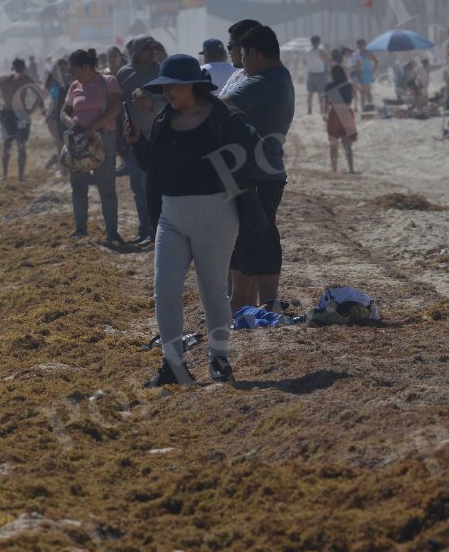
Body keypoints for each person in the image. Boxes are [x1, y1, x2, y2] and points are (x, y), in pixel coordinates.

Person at [125, 54, 264, 386]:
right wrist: (138, 145)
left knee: (213, 292)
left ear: (190, 85)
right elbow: (154, 165)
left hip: (215, 216)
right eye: (164, 89)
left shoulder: (221, 116)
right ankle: (173, 364)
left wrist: (226, 181)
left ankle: (219, 359)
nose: (167, 94)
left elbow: (252, 149)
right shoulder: (164, 120)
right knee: (165, 291)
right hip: (171, 218)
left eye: (171, 87)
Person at [223, 25, 295, 312]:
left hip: (258, 175)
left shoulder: (264, 81)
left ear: (252, 52)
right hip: (260, 172)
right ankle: (244, 301)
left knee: (258, 239)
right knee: (246, 239)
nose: (241, 61)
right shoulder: (278, 76)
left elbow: (219, 107)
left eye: (242, 53)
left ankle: (264, 303)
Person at [60, 48, 123, 242]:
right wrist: (72, 124)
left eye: (74, 69)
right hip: (79, 143)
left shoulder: (108, 82)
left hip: (103, 139)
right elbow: (64, 112)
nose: (72, 73)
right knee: (78, 187)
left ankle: (111, 232)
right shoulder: (74, 87)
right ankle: (80, 229)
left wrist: (92, 128)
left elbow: (115, 109)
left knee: (107, 188)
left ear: (85, 67)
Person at [116, 35, 164, 245]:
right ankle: (145, 229)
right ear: (136, 51)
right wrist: (119, 137)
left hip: (158, 136)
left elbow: (172, 99)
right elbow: (117, 107)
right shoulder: (124, 74)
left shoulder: (162, 71)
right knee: (137, 187)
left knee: (155, 186)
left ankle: (158, 231)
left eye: (154, 48)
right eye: (147, 48)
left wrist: (152, 104)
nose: (152, 52)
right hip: (133, 138)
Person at [0, 59, 43, 182]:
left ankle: (5, 175)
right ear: (23, 67)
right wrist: (31, 110)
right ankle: (20, 177)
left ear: (12, 67)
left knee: (7, 146)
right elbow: (40, 94)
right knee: (21, 146)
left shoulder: (3, 78)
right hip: (21, 114)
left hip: (7, 114)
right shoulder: (25, 78)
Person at [323, 65, 357, 173]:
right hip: (346, 112)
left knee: (333, 144)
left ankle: (334, 169)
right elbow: (352, 99)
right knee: (347, 144)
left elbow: (327, 102)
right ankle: (351, 169)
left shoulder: (329, 86)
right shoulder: (348, 85)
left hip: (334, 113)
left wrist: (325, 113)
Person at [219, 19, 262, 99]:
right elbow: (219, 100)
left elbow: (223, 103)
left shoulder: (260, 81)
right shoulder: (238, 74)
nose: (229, 52)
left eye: (230, 47)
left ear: (245, 47)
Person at [304, 36, 331, 114]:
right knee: (321, 93)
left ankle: (309, 109)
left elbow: (304, 62)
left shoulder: (308, 52)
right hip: (320, 74)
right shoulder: (320, 52)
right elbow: (328, 58)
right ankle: (322, 109)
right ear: (318, 42)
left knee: (310, 93)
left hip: (311, 73)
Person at [353, 38, 378, 108]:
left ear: (364, 45)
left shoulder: (368, 53)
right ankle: (362, 107)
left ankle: (371, 106)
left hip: (367, 74)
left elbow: (376, 61)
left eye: (361, 45)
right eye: (358, 45)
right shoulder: (357, 53)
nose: (359, 46)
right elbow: (356, 63)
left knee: (367, 91)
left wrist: (373, 71)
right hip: (359, 73)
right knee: (362, 91)